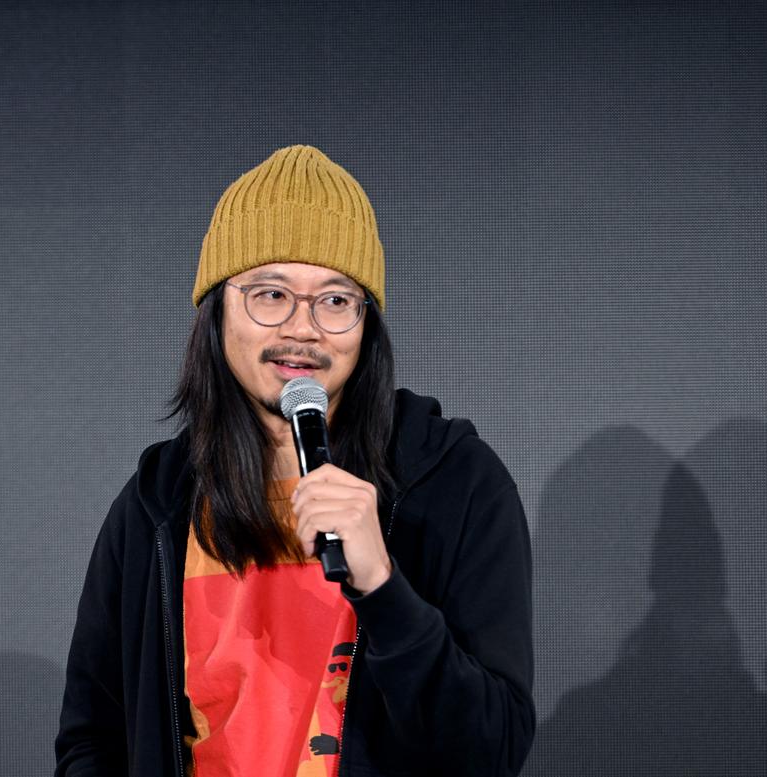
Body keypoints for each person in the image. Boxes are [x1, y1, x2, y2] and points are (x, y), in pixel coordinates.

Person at [55, 145, 536, 777]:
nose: (303, 329)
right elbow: (93, 738)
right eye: (271, 293)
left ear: (366, 324)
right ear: (217, 310)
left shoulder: (453, 482)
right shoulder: (159, 503)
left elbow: (491, 752)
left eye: (336, 301)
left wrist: (384, 590)